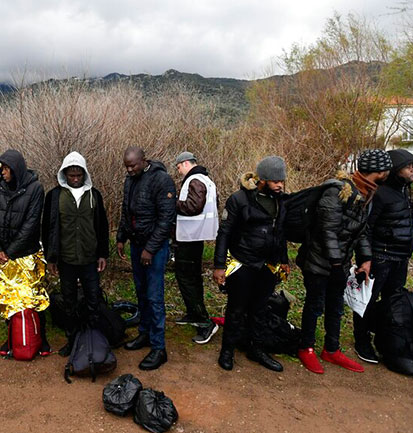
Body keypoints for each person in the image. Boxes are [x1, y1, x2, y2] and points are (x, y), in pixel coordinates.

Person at [296, 149, 391, 374]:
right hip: (319, 261)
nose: (388, 173)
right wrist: (336, 265)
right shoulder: (338, 190)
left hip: (341, 262)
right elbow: (327, 230)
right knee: (314, 305)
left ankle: (331, 349)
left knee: (336, 307)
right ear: (378, 171)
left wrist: (365, 259)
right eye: (386, 170)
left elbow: (362, 230)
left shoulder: (367, 192)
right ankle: (305, 347)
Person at [213, 156, 289, 372]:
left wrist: (283, 260)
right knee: (236, 309)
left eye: (282, 181)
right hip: (243, 262)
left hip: (268, 265)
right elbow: (224, 233)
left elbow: (280, 232)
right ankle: (227, 350)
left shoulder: (281, 200)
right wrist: (219, 265)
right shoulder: (240, 199)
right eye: (275, 181)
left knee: (260, 309)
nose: (280, 185)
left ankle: (256, 349)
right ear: (262, 179)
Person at [353, 149, 413, 363]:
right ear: (394, 169)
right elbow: (366, 227)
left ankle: (387, 340)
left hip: (401, 259)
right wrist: (366, 258)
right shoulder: (380, 194)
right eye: (408, 166)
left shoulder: (404, 192)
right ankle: (361, 341)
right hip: (381, 258)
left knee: (392, 303)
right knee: (367, 301)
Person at [42, 151, 110, 356]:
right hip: (66, 260)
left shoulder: (94, 195)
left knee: (93, 299)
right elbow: (47, 228)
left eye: (78, 175)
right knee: (69, 301)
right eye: (71, 175)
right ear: (64, 174)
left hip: (89, 258)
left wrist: (102, 254)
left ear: (84, 174)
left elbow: (102, 227)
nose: (75, 179)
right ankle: (72, 340)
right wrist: (51, 258)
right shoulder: (54, 196)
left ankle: (94, 340)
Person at [116, 146, 176, 371]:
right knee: (141, 292)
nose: (130, 170)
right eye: (127, 167)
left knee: (154, 295)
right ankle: (145, 334)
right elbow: (126, 210)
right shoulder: (130, 180)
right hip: (136, 243)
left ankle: (159, 348)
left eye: (133, 166)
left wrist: (150, 249)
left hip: (155, 248)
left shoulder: (162, 180)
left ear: (144, 161)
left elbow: (166, 219)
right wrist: (121, 237)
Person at [0, 149, 50, 357]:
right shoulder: (0, 189)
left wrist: (10, 251)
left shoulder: (35, 189)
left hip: (25, 254)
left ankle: (41, 338)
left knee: (33, 297)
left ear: (16, 169)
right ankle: (12, 338)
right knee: (8, 299)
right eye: (1, 169)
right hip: (4, 257)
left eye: (6, 169)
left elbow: (31, 225)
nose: (3, 173)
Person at [172, 151, 219, 344]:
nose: (178, 171)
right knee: (191, 277)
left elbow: (194, 206)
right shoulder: (206, 179)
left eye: (178, 167)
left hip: (190, 238)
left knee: (187, 278)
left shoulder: (195, 180)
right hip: (196, 236)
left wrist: (171, 203)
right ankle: (193, 313)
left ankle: (204, 322)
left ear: (184, 163)